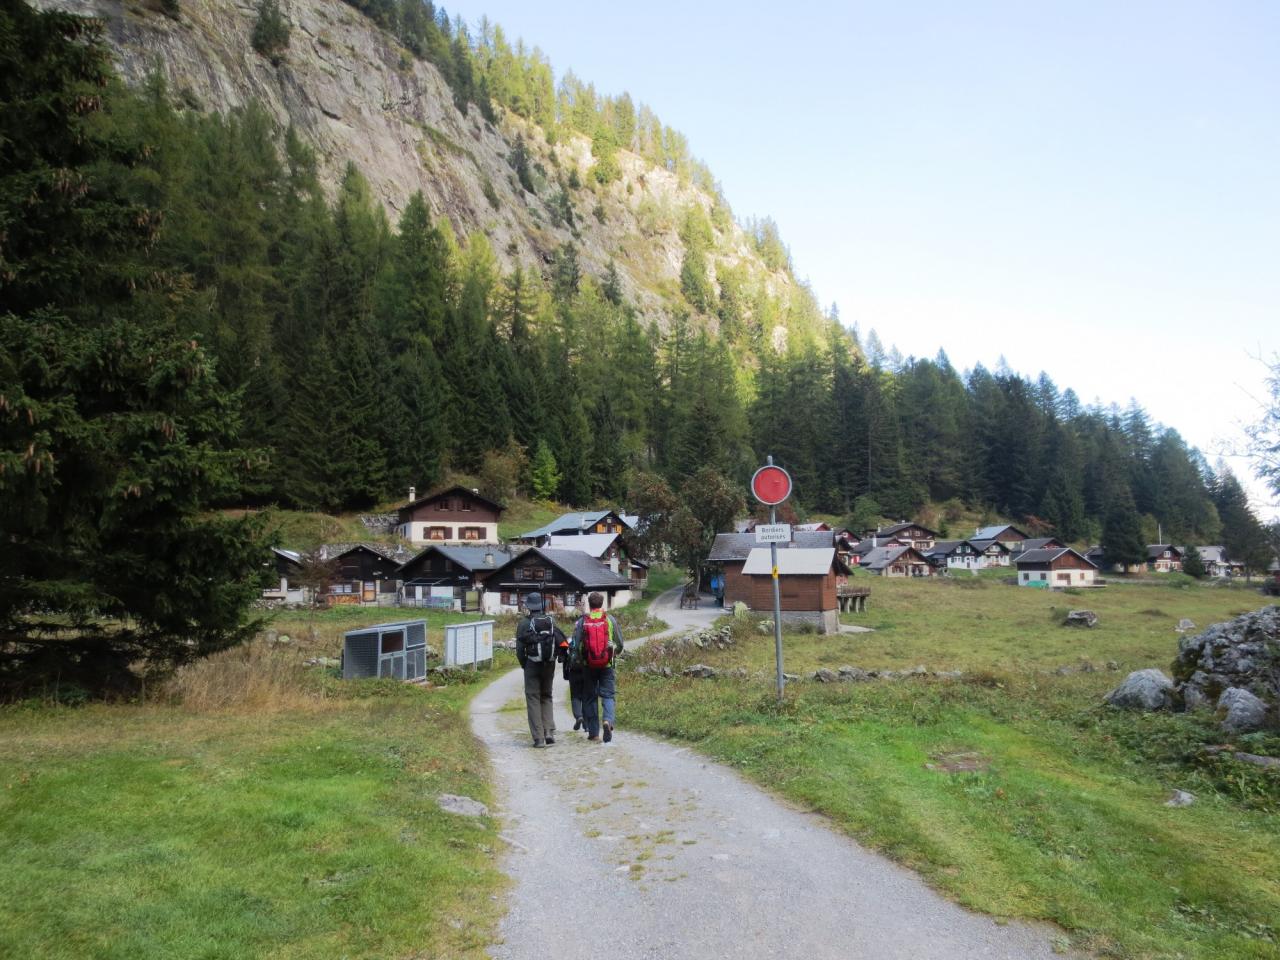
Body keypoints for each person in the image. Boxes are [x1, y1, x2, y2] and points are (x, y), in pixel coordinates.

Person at [571, 592, 624, 743]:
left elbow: (576, 644)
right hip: (607, 664)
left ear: (589, 604)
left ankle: (594, 733)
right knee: (608, 695)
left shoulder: (583, 621)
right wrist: (615, 654)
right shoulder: (609, 619)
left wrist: (579, 660)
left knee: (590, 698)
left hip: (589, 665)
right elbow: (620, 643)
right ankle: (607, 720)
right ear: (602, 604)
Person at [515, 592, 564, 748]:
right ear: (542, 606)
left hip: (532, 664)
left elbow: (519, 649)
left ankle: (539, 738)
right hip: (549, 663)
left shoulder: (523, 623)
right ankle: (549, 731)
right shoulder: (550, 620)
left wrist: (525, 664)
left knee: (533, 698)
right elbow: (557, 640)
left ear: (528, 607)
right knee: (546, 696)